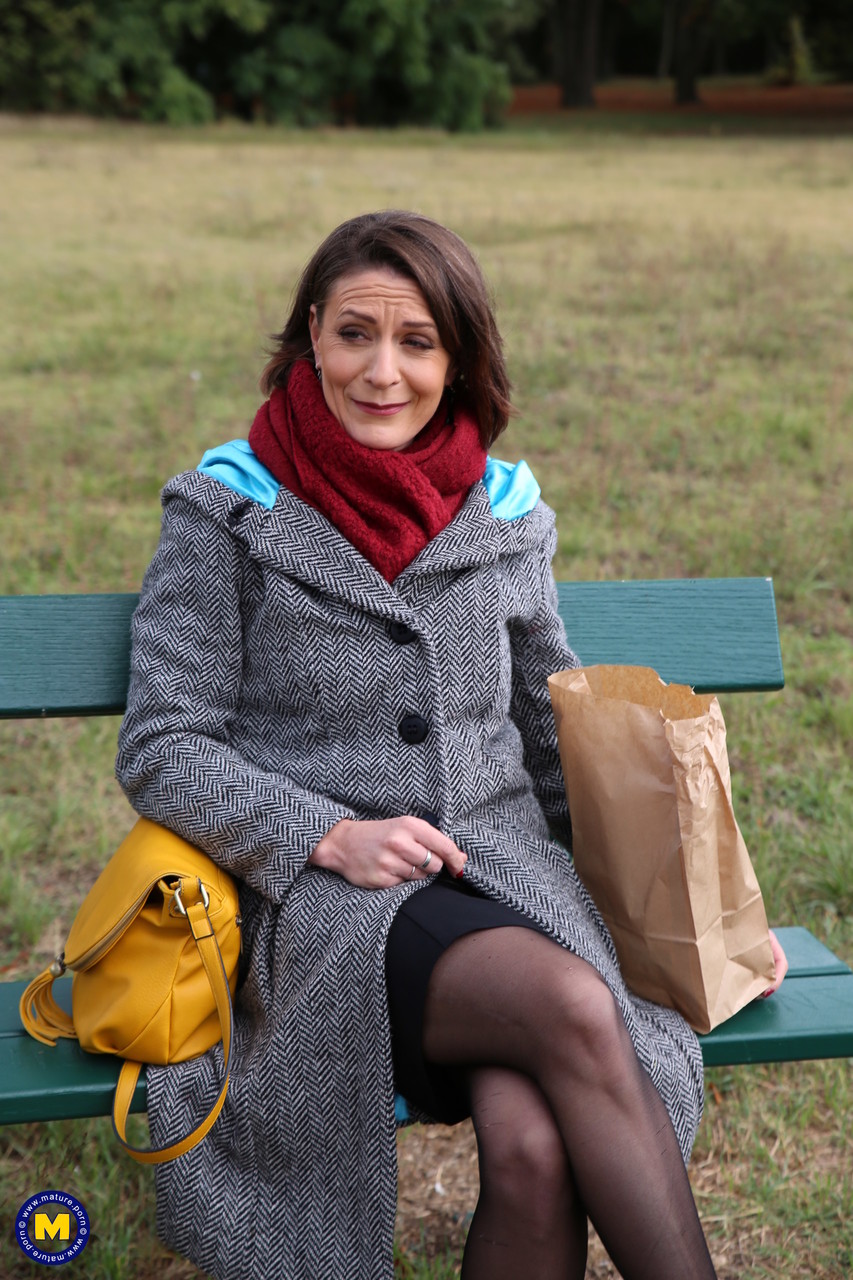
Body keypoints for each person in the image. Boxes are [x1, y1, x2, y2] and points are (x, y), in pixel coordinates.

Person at [115, 210, 786, 1280]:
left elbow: (557, 743)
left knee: (531, 1148)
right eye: (353, 334)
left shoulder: (503, 512)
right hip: (326, 911)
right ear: (310, 340)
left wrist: (699, 920)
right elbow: (163, 744)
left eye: (417, 340)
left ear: (459, 355)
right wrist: (328, 833)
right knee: (572, 1004)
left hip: (507, 880)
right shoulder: (226, 510)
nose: (383, 371)